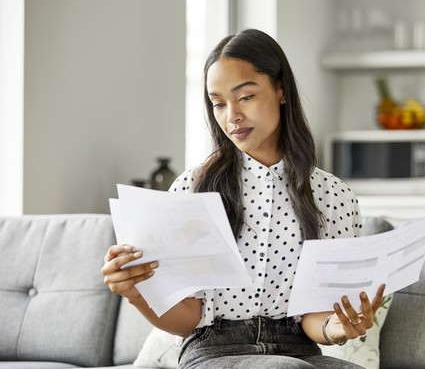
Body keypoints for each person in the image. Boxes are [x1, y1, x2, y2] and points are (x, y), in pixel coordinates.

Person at [101, 28, 386, 369]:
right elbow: (188, 318)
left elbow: (314, 318)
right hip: (215, 350)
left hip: (299, 351)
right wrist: (135, 294)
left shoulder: (333, 195)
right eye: (218, 103)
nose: (231, 116)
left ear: (281, 91)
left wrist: (336, 327)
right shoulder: (193, 187)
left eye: (246, 97)